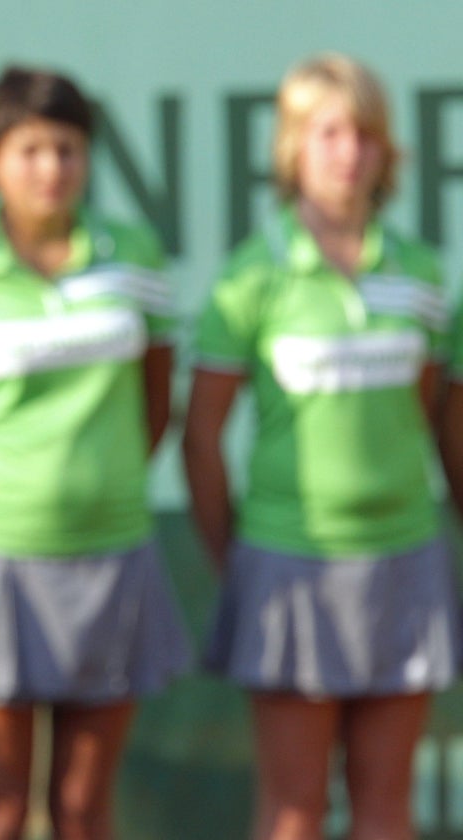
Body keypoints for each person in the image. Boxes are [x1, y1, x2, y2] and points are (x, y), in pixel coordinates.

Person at [183, 52, 461, 840]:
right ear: (293, 150)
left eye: (366, 135)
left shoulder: (425, 277)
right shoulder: (250, 280)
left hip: (406, 558)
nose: (349, 152)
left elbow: (435, 420)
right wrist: (238, 560)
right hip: (286, 564)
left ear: (388, 152)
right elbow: (201, 440)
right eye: (329, 132)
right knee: (295, 813)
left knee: (385, 810)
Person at [0, 65, 190, 840]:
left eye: (68, 148)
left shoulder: (133, 255)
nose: (52, 168)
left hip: (115, 549)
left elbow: (156, 401)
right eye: (31, 149)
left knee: (82, 812)